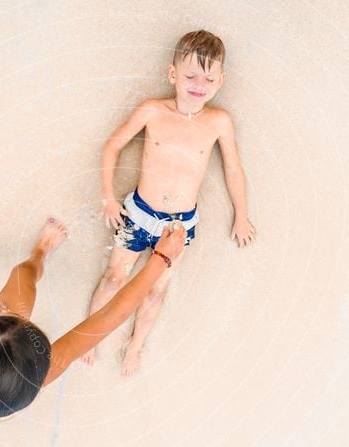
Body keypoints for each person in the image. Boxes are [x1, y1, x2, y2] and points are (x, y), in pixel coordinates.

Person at [82, 29, 256, 375]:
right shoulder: (152, 111)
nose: (199, 84)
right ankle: (90, 335)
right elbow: (113, 145)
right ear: (172, 74)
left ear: (220, 81)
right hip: (139, 213)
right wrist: (107, 198)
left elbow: (234, 169)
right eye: (190, 75)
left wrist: (242, 215)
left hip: (179, 225)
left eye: (208, 78)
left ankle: (135, 345)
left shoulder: (218, 121)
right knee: (115, 277)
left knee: (155, 290)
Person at [0, 218, 186, 421]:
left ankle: (9, 255)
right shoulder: (38, 371)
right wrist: (161, 259)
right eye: (13, 318)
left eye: (3, 316)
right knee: (23, 276)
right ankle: (38, 254)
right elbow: (107, 319)